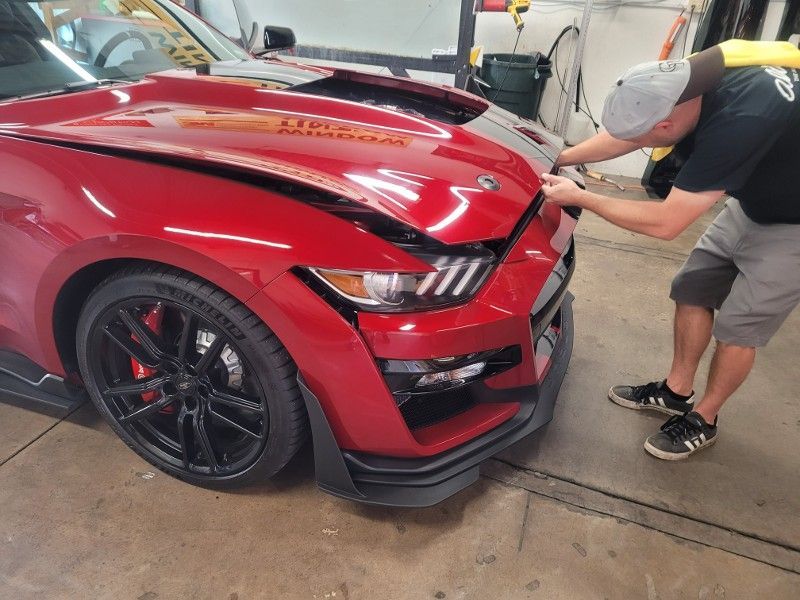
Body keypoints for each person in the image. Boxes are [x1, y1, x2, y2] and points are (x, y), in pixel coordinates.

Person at [541, 44, 800, 460]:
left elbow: (667, 223)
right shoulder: (689, 76)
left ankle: (705, 418)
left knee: (740, 327)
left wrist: (581, 196)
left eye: (644, 137)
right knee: (692, 288)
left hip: (793, 223)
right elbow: (624, 136)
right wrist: (556, 157)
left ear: (664, 126)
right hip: (754, 200)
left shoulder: (739, 121)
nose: (635, 142)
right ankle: (676, 393)